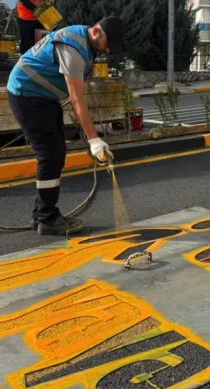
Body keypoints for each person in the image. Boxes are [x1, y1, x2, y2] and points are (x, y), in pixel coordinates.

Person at [7, 16, 126, 236]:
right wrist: (94, 141)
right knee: (50, 155)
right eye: (107, 45)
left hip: (44, 97)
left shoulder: (84, 43)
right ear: (96, 32)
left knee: (56, 154)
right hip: (27, 94)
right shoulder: (72, 47)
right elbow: (76, 98)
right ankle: (47, 218)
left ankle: (42, 214)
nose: (108, 51)